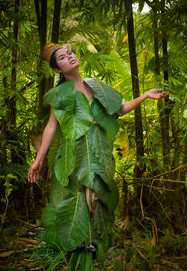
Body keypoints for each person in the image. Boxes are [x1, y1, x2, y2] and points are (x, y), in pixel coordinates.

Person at [27, 43, 168, 253]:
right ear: (57, 70)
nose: (70, 57)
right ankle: (78, 243)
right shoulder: (59, 93)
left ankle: (91, 243)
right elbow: (51, 125)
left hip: (98, 146)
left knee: (97, 195)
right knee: (80, 196)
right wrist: (39, 159)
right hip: (73, 150)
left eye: (70, 53)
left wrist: (145, 96)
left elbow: (117, 110)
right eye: (63, 58)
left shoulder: (96, 86)